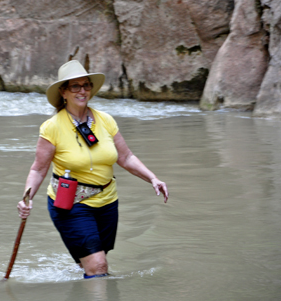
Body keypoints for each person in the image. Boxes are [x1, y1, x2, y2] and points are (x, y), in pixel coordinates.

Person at [17, 59, 169, 279]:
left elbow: (126, 157)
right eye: (75, 86)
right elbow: (38, 170)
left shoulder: (105, 120)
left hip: (107, 201)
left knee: (95, 262)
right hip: (71, 203)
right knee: (98, 266)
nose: (82, 91)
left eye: (86, 85)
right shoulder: (52, 127)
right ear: (63, 92)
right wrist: (26, 198)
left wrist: (153, 178)